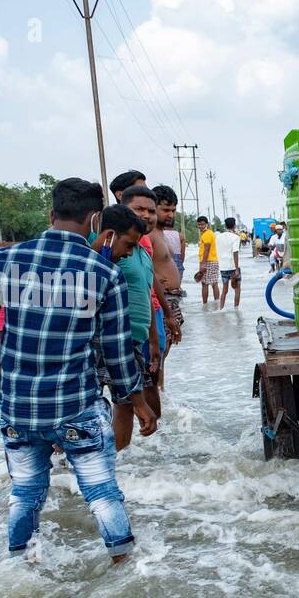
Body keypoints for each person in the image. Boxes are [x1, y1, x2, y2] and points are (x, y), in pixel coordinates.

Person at [0, 177, 155, 563]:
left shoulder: (5, 260)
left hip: (18, 407)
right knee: (101, 491)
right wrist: (137, 401)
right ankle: (122, 564)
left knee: (25, 493)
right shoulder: (104, 274)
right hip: (76, 406)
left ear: (51, 214)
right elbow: (116, 354)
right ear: (95, 218)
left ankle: (18, 563)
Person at [113, 185, 164, 449]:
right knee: (99, 405)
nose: (146, 215)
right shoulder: (112, 249)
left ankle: (115, 462)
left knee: (124, 404)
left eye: (151, 211)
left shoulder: (142, 252)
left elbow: (146, 297)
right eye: (139, 209)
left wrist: (153, 342)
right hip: (110, 341)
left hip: (136, 340)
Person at [153, 185, 188, 324]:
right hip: (162, 300)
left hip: (171, 299)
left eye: (173, 210)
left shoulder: (160, 233)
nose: (171, 215)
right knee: (160, 345)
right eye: (166, 210)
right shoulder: (149, 236)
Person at [216, 216, 242, 309]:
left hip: (223, 266)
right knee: (237, 289)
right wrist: (237, 269)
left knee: (224, 290)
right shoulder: (235, 237)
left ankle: (221, 309)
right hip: (233, 267)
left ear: (225, 225)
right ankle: (236, 309)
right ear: (234, 225)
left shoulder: (218, 237)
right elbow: (235, 252)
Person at [194, 216, 219, 306]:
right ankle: (217, 303)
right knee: (214, 283)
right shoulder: (208, 233)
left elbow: (206, 249)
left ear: (207, 224)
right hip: (213, 260)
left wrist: (203, 264)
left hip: (208, 261)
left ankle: (205, 305)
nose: (200, 226)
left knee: (205, 284)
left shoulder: (207, 234)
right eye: (199, 224)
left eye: (202, 224)